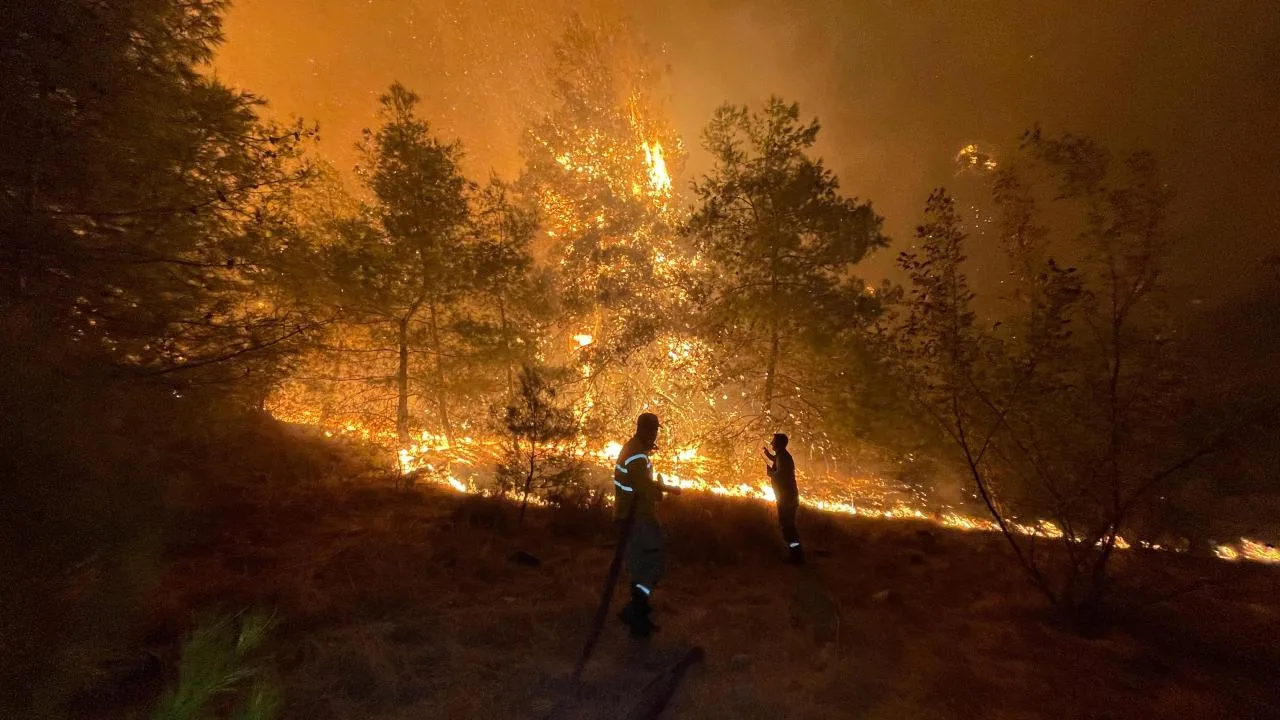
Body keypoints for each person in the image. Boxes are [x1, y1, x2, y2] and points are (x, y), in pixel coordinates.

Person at [613, 412, 671, 638]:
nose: (655, 434)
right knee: (651, 565)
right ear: (643, 429)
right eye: (652, 429)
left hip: (635, 516)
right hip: (637, 518)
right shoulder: (637, 455)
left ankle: (638, 615)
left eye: (656, 429)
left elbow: (637, 485)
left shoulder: (634, 450)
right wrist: (658, 491)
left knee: (641, 567)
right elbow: (641, 488)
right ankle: (635, 611)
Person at [763, 432, 804, 565]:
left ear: (780, 444)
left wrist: (770, 473)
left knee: (788, 528)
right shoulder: (782, 456)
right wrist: (768, 455)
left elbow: (781, 476)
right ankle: (795, 554)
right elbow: (777, 460)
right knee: (787, 527)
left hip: (787, 499)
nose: (771, 443)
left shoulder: (783, 458)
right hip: (787, 498)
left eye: (773, 441)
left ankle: (796, 556)